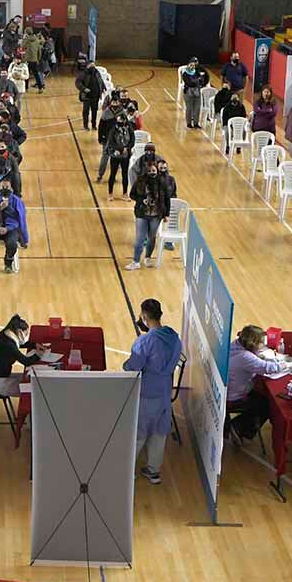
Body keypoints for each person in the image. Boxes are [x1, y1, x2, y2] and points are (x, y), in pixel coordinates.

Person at [123, 299, 183, 485]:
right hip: (165, 390)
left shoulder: (145, 341)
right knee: (159, 432)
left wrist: (126, 364)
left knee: (139, 432)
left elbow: (132, 367)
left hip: (147, 392)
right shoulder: (174, 337)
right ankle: (153, 471)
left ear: (144, 316)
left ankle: (128, 472)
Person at [226, 326, 292, 441]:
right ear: (253, 343)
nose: (262, 346)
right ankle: (239, 428)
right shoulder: (245, 357)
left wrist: (258, 356)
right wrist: (286, 364)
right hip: (234, 397)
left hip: (228, 389)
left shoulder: (235, 345)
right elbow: (268, 368)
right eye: (261, 343)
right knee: (267, 404)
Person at [0, 315, 41, 397]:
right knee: (31, 389)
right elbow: (26, 361)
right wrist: (39, 354)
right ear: (20, 332)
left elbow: (18, 344)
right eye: (26, 334)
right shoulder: (8, 345)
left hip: (0, 377)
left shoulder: (5, 335)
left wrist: (35, 345)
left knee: (31, 378)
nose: (27, 336)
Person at [126, 161, 170, 270]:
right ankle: (135, 261)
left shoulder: (162, 182)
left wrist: (166, 214)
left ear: (157, 170)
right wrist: (142, 200)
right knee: (139, 238)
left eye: (154, 171)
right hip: (142, 213)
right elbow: (132, 194)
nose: (152, 173)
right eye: (149, 171)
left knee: (151, 237)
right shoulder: (140, 181)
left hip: (156, 215)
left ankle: (148, 257)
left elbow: (167, 199)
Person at [105, 112, 135, 201]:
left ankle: (125, 193)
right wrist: (117, 149)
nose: (120, 122)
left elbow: (132, 140)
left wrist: (127, 148)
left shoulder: (129, 128)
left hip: (125, 155)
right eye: (118, 121)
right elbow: (111, 141)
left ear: (125, 120)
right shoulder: (114, 129)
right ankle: (110, 193)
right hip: (115, 155)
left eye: (121, 121)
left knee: (124, 174)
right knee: (113, 174)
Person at [180, 58, 209, 129]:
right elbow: (189, 82)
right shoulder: (185, 74)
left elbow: (202, 80)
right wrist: (197, 80)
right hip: (188, 92)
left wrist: (199, 81)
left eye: (194, 65)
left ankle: (196, 123)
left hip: (197, 92)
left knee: (197, 108)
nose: (192, 66)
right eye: (191, 65)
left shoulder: (196, 72)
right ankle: (189, 123)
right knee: (189, 108)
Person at [76, 61, 104, 131]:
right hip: (87, 97)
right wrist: (84, 89)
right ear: (87, 66)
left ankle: (93, 125)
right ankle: (85, 126)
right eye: (91, 65)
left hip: (96, 96)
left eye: (94, 65)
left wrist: (103, 88)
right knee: (86, 112)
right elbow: (78, 83)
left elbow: (100, 81)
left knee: (94, 111)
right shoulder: (83, 74)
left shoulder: (97, 72)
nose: (93, 67)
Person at [23, 27, 45, 92]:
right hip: (35, 59)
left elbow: (22, 46)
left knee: (27, 74)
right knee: (36, 74)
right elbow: (39, 51)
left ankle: (26, 88)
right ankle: (40, 87)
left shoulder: (27, 40)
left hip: (27, 59)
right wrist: (38, 58)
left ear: (26, 33)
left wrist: (24, 39)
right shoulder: (36, 40)